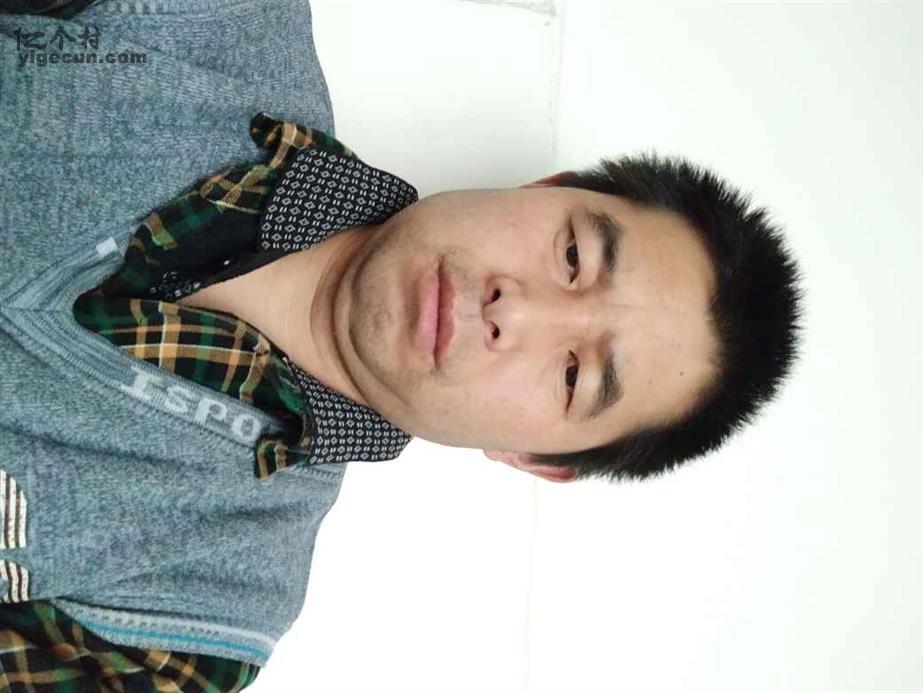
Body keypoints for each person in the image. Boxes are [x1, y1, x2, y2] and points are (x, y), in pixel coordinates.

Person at [0, 0, 802, 690]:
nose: (515, 311)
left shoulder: (191, 621)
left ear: (535, 457)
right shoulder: (211, 22)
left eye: (572, 375)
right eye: (572, 256)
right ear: (548, 190)